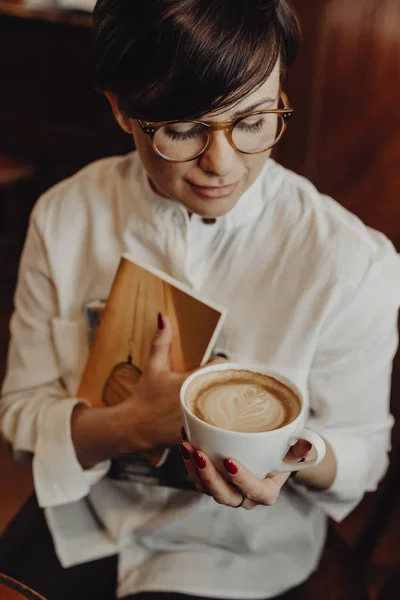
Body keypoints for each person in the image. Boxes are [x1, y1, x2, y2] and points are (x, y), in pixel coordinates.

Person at [0, 0, 399, 599]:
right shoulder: (64, 218)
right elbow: (20, 417)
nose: (223, 163)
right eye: (183, 130)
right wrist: (130, 425)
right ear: (122, 110)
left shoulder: (350, 261)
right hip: (86, 521)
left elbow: (363, 453)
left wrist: (294, 454)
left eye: (255, 120)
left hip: (240, 553)